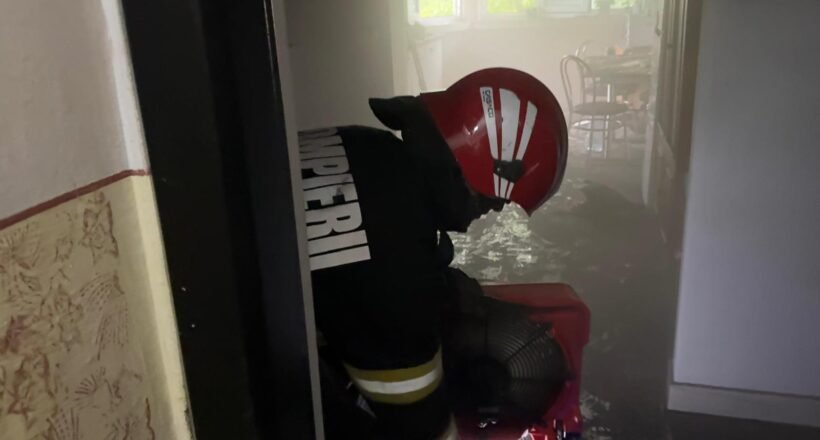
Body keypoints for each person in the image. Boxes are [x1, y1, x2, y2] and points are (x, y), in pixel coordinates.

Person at [298, 68, 567, 439]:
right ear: (477, 168)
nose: (487, 213)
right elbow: (420, 426)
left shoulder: (366, 144)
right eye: (492, 201)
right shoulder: (396, 271)